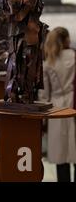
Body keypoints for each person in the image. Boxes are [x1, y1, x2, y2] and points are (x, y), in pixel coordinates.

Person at [39, 27, 76, 182]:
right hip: (73, 101)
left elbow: (44, 94)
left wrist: (42, 118)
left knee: (60, 153)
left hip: (56, 106)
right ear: (66, 39)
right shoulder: (74, 56)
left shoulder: (48, 62)